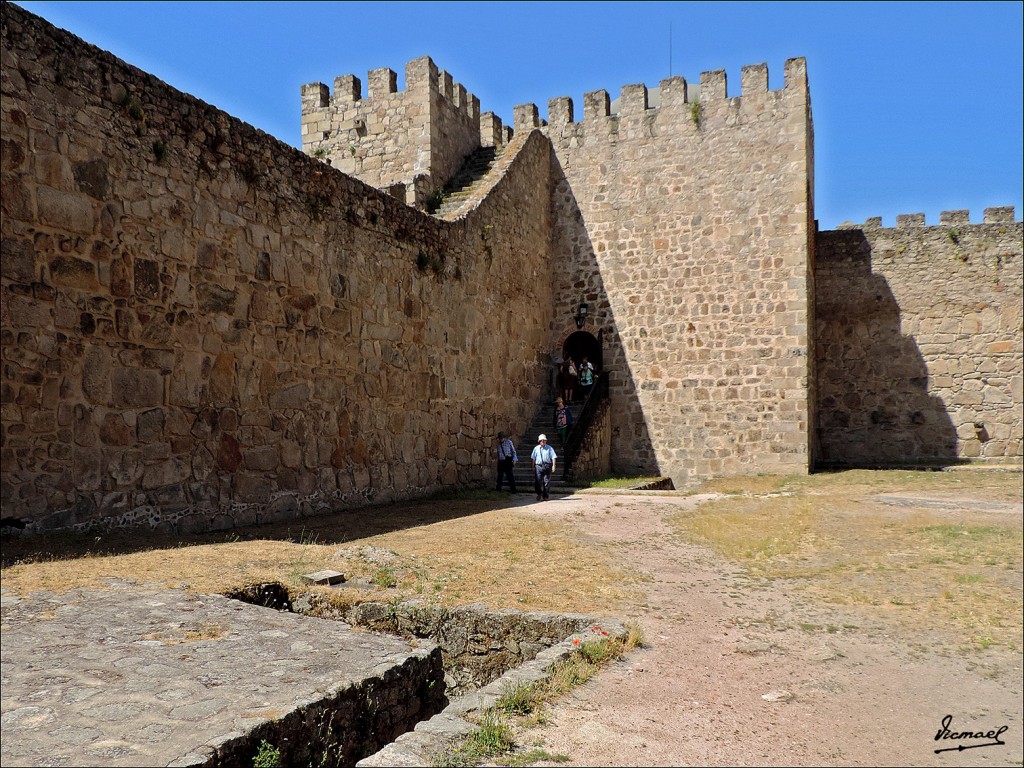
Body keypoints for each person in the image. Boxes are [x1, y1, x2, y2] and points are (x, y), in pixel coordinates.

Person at [531, 434, 557, 501]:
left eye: (544, 440)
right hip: (538, 466)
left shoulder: (549, 448)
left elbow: (553, 457)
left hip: (547, 466)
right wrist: (533, 466)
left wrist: (554, 465)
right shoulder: (536, 448)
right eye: (542, 440)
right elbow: (533, 458)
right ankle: (539, 493)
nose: (543, 442)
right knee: (537, 481)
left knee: (546, 482)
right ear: (539, 441)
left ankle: (545, 495)